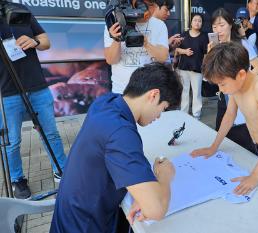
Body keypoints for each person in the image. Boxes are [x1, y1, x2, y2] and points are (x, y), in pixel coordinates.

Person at [50, 62, 183, 233]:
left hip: (70, 218)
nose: (158, 117)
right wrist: (164, 177)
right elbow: (155, 210)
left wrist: (141, 193)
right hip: (86, 226)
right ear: (153, 95)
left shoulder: (107, 102)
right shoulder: (120, 133)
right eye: (162, 108)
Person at [191, 42, 258, 195]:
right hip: (254, 144)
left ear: (240, 74)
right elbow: (229, 115)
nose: (221, 89)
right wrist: (214, 147)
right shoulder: (237, 87)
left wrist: (255, 175)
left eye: (222, 84)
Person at [0, 3, 67, 199]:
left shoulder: (20, 9)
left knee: (51, 133)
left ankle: (61, 170)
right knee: (12, 142)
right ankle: (17, 180)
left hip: (38, 87)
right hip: (7, 92)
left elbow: (46, 41)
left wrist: (34, 42)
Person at [210, 8, 258, 153]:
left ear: (230, 25)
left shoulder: (242, 44)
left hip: (240, 95)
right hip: (223, 96)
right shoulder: (216, 46)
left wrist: (240, 84)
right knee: (222, 131)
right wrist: (210, 55)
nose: (218, 30)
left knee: (241, 138)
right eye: (214, 26)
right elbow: (211, 77)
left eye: (222, 25)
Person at [104, 0, 169, 94]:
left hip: (150, 93)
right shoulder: (115, 22)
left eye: (154, 6)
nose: (151, 10)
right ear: (135, 3)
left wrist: (146, 44)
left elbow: (162, 58)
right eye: (149, 5)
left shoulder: (159, 25)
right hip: (121, 91)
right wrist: (116, 39)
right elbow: (111, 60)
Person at [176, 13, 208, 119]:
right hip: (184, 68)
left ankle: (196, 114)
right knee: (184, 91)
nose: (197, 22)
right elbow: (176, 49)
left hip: (197, 69)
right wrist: (184, 51)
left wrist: (205, 68)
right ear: (191, 22)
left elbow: (206, 54)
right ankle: (184, 113)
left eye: (199, 21)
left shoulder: (204, 36)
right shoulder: (184, 34)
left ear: (202, 23)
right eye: (195, 20)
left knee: (196, 92)